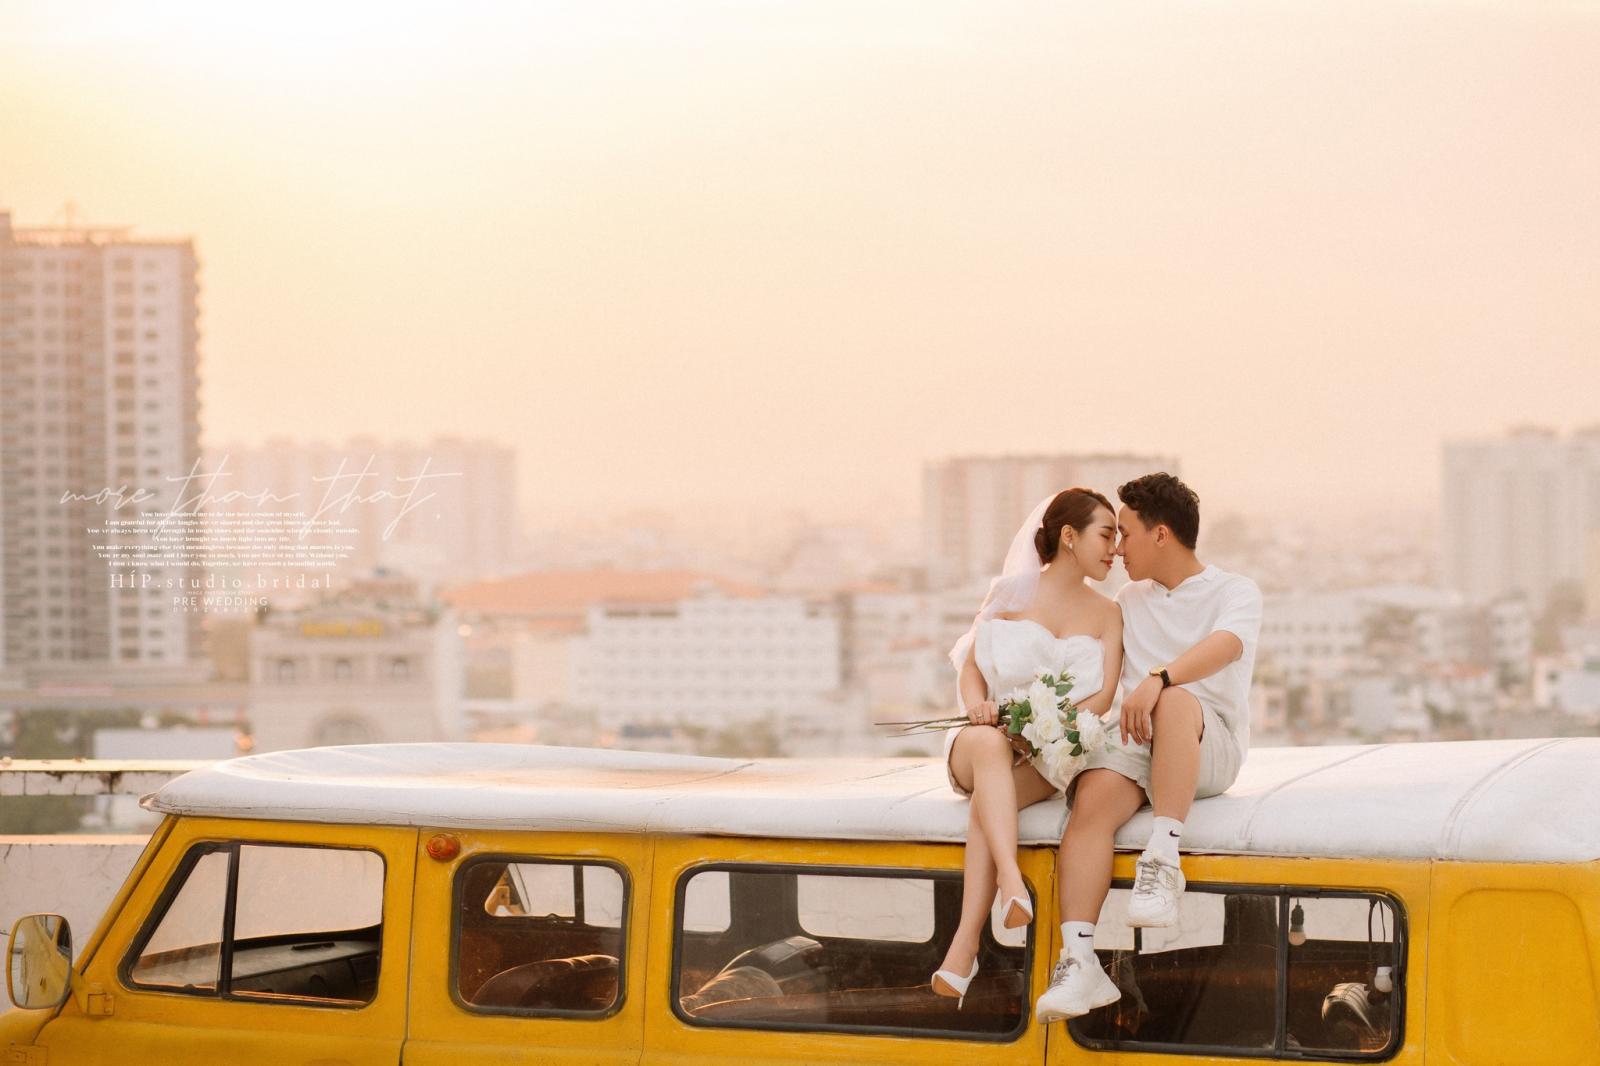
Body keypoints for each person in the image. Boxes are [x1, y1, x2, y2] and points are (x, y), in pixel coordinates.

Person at [1035, 472, 1262, 1023]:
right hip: (1139, 744)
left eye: (1126, 533)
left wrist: (1159, 679)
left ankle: (1163, 859)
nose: (1117, 548)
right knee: (1091, 801)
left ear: (1161, 535)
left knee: (1176, 701)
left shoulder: (1235, 591)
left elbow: (1225, 646)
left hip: (1207, 743)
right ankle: (1079, 960)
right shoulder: (1129, 599)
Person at [931, 488, 1122, 1006]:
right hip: (979, 740)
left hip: (1047, 756)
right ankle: (1011, 881)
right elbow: (971, 669)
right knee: (990, 749)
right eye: (1106, 535)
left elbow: (1104, 696)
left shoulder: (1109, 613)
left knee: (988, 806)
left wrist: (1048, 729)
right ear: (1069, 536)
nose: (1115, 550)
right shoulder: (1008, 594)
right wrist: (980, 708)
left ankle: (966, 946)